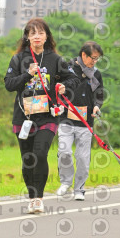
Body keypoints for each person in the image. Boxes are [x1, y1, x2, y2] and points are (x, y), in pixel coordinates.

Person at [4, 18, 80, 214]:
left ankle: (38, 199)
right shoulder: (18, 59)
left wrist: (63, 86)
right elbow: (9, 84)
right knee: (28, 159)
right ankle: (31, 198)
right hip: (23, 117)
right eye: (33, 33)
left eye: (41, 33)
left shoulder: (55, 59)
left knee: (40, 154)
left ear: (47, 37)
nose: (37, 36)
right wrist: (28, 74)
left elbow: (73, 79)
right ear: (27, 37)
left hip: (47, 116)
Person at [56, 41, 105, 201]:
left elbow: (99, 95)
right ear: (84, 55)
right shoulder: (67, 68)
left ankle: (79, 189)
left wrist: (97, 106)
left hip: (85, 122)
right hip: (66, 119)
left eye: (97, 59)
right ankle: (65, 182)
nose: (94, 62)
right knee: (64, 152)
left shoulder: (96, 74)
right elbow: (56, 87)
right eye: (93, 58)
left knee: (83, 158)